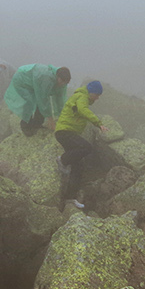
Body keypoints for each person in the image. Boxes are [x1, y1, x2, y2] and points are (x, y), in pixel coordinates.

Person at [55, 79, 106, 209]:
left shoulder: (83, 97)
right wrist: (98, 123)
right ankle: (63, 159)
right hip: (64, 132)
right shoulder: (81, 96)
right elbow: (83, 110)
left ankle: (69, 199)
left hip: (69, 133)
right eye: (97, 95)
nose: (98, 98)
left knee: (78, 167)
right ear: (91, 92)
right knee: (87, 147)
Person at [4, 64, 71, 136]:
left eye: (65, 82)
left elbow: (60, 99)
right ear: (58, 77)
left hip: (34, 82)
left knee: (39, 103)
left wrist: (63, 115)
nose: (63, 84)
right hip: (22, 80)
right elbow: (43, 99)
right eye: (62, 81)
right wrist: (50, 120)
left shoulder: (62, 81)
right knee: (29, 102)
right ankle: (25, 126)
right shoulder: (47, 78)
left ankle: (36, 124)